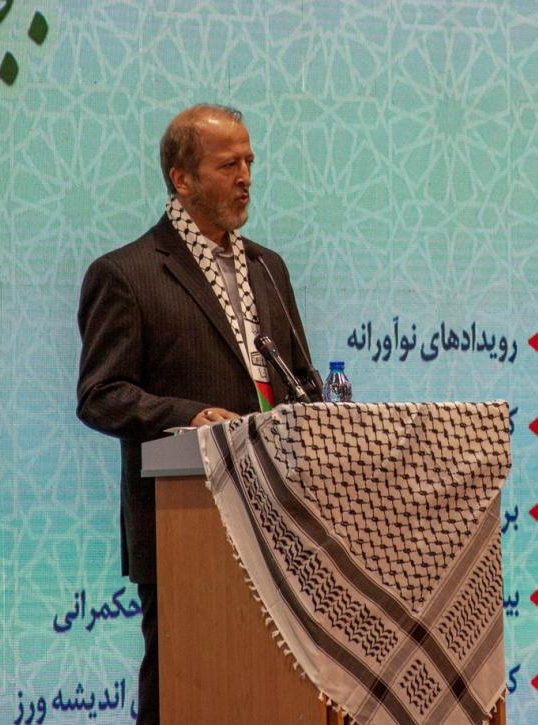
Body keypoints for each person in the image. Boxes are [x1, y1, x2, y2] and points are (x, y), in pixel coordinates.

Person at [76, 104, 319, 723]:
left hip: (279, 519)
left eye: (250, 162)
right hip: (184, 519)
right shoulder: (126, 274)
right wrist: (191, 413)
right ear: (182, 179)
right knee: (181, 689)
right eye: (228, 164)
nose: (246, 177)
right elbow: (101, 393)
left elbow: (300, 382)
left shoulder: (268, 267)